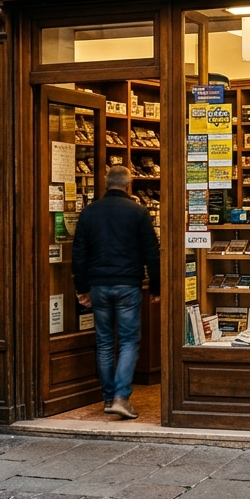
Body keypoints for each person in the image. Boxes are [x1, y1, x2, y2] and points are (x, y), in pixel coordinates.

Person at [73, 165, 161, 420]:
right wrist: (156, 286)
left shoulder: (89, 212)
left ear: (105, 182)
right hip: (128, 284)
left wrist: (82, 288)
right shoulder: (138, 212)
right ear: (128, 184)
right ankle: (122, 397)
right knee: (128, 340)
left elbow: (79, 253)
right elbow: (151, 252)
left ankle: (109, 398)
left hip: (98, 285)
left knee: (104, 341)